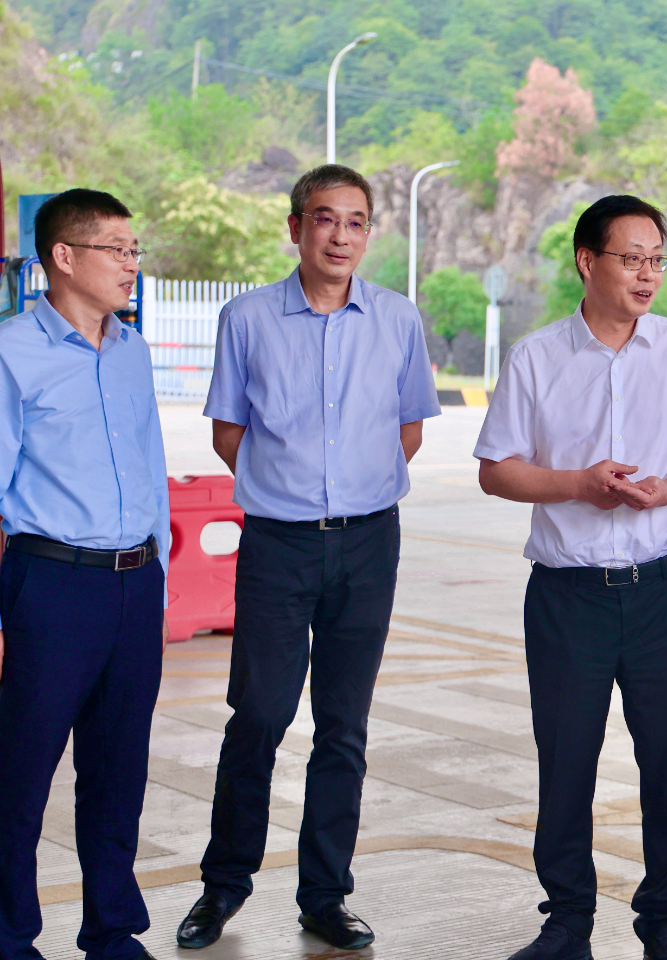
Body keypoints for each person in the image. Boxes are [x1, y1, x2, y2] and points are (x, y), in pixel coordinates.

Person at [175, 164, 440, 952]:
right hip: (278, 544)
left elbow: (409, 429)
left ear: (368, 233)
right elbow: (229, 432)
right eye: (325, 218)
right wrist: (289, 488)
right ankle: (223, 887)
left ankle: (325, 897)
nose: (340, 236)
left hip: (369, 542)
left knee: (343, 727)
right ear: (296, 227)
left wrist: (351, 491)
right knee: (259, 715)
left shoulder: (397, 319)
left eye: (356, 222)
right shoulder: (248, 319)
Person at [476, 195, 667, 960]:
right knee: (566, 763)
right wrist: (578, 484)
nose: (647, 274)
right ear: (587, 261)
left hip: (662, 592)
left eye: (657, 259)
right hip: (568, 598)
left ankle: (664, 923)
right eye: (632, 258)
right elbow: (497, 470)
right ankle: (567, 924)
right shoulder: (537, 357)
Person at [0, 189, 169, 960]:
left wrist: (155, 572)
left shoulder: (132, 349)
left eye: (135, 250)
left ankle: (112, 931)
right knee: (20, 775)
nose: (131, 264)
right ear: (63, 258)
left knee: (118, 771)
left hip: (134, 583)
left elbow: (150, 464)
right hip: (50, 585)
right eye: (116, 249)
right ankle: (10, 938)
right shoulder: (12, 353)